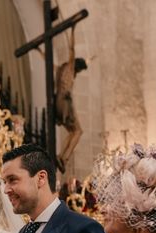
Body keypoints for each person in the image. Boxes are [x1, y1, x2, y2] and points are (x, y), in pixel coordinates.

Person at [55, 26, 87, 174]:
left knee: (71, 131)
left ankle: (61, 156)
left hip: (58, 101)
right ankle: (65, 158)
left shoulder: (60, 69)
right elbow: (71, 49)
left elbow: (47, 60)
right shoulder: (70, 68)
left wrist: (39, 51)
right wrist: (73, 30)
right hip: (66, 103)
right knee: (79, 131)